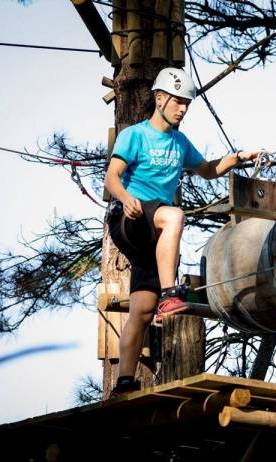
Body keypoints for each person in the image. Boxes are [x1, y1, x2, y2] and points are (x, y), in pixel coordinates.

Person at [104, 67, 262, 394]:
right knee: (175, 216)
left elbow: (207, 170)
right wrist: (126, 197)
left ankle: (124, 381)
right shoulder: (135, 135)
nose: (182, 108)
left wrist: (239, 158)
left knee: (141, 309)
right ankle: (168, 294)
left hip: (154, 233)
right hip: (130, 218)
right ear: (159, 98)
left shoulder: (180, 143)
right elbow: (111, 178)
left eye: (187, 104)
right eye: (177, 101)